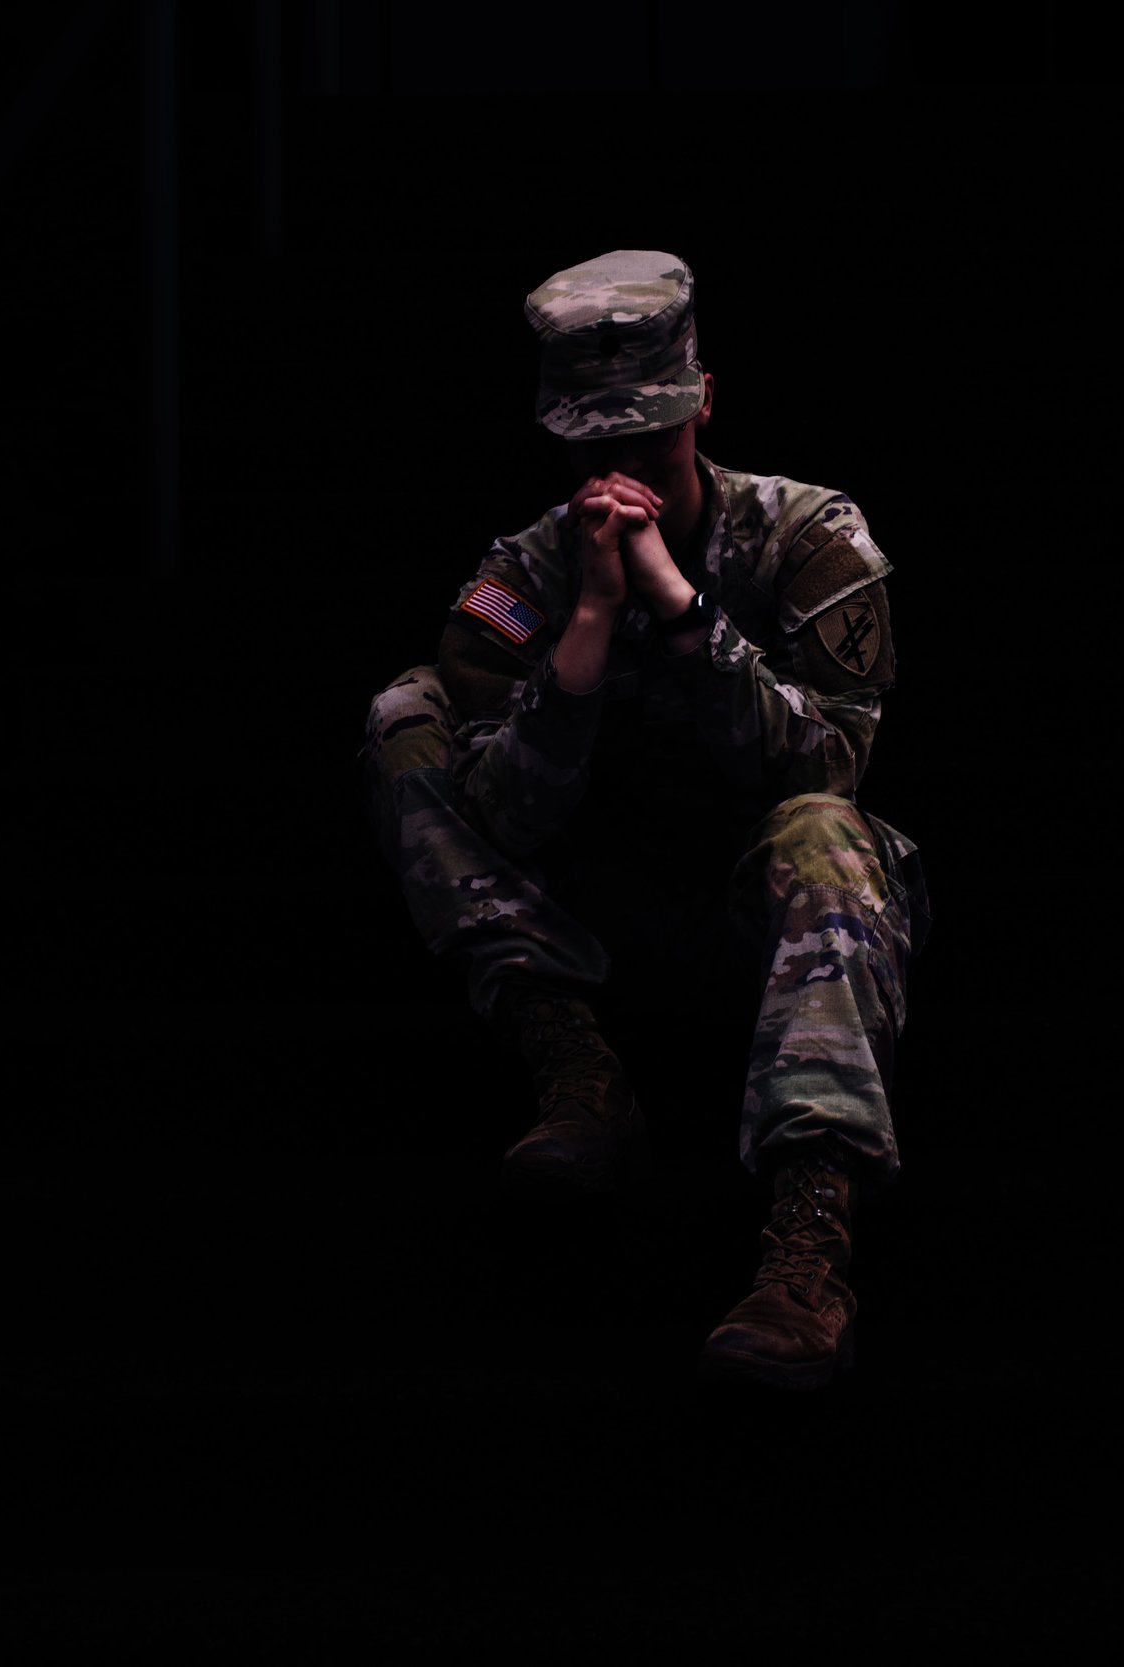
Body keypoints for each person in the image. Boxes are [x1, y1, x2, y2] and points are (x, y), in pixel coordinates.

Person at [358, 249, 925, 1391]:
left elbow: (831, 763)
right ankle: (570, 1064)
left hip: (750, 902)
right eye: (591, 448)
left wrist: (679, 611)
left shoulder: (810, 536)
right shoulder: (519, 577)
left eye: (646, 438)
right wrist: (584, 635)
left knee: (825, 828)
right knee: (403, 712)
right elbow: (504, 819)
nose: (620, 472)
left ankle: (810, 1243)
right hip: (594, 900)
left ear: (702, 401)